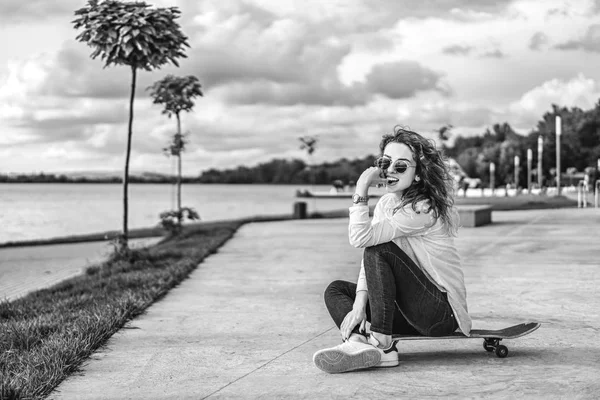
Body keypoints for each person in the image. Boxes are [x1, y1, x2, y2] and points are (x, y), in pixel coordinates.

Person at [313, 126, 472, 374]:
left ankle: (382, 344)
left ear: (418, 174)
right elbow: (369, 251)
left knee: (379, 250)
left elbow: (362, 239)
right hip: (408, 312)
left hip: (440, 313)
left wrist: (362, 186)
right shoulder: (388, 203)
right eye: (385, 163)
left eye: (400, 166)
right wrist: (358, 306)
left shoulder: (423, 209)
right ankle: (358, 342)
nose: (389, 171)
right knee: (336, 290)